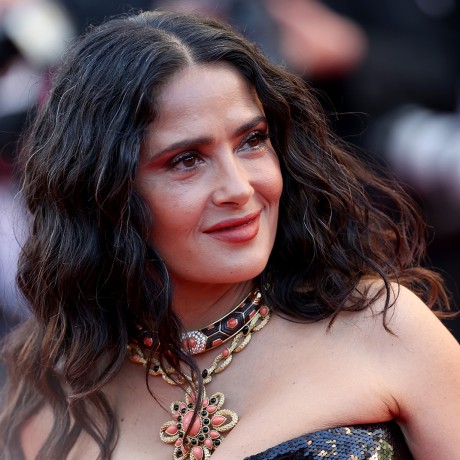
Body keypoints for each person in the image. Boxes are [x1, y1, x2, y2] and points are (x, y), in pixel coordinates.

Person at [0, 10, 459, 460]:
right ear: (103, 192)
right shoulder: (49, 400)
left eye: (252, 141)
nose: (240, 189)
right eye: (186, 160)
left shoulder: (383, 327)